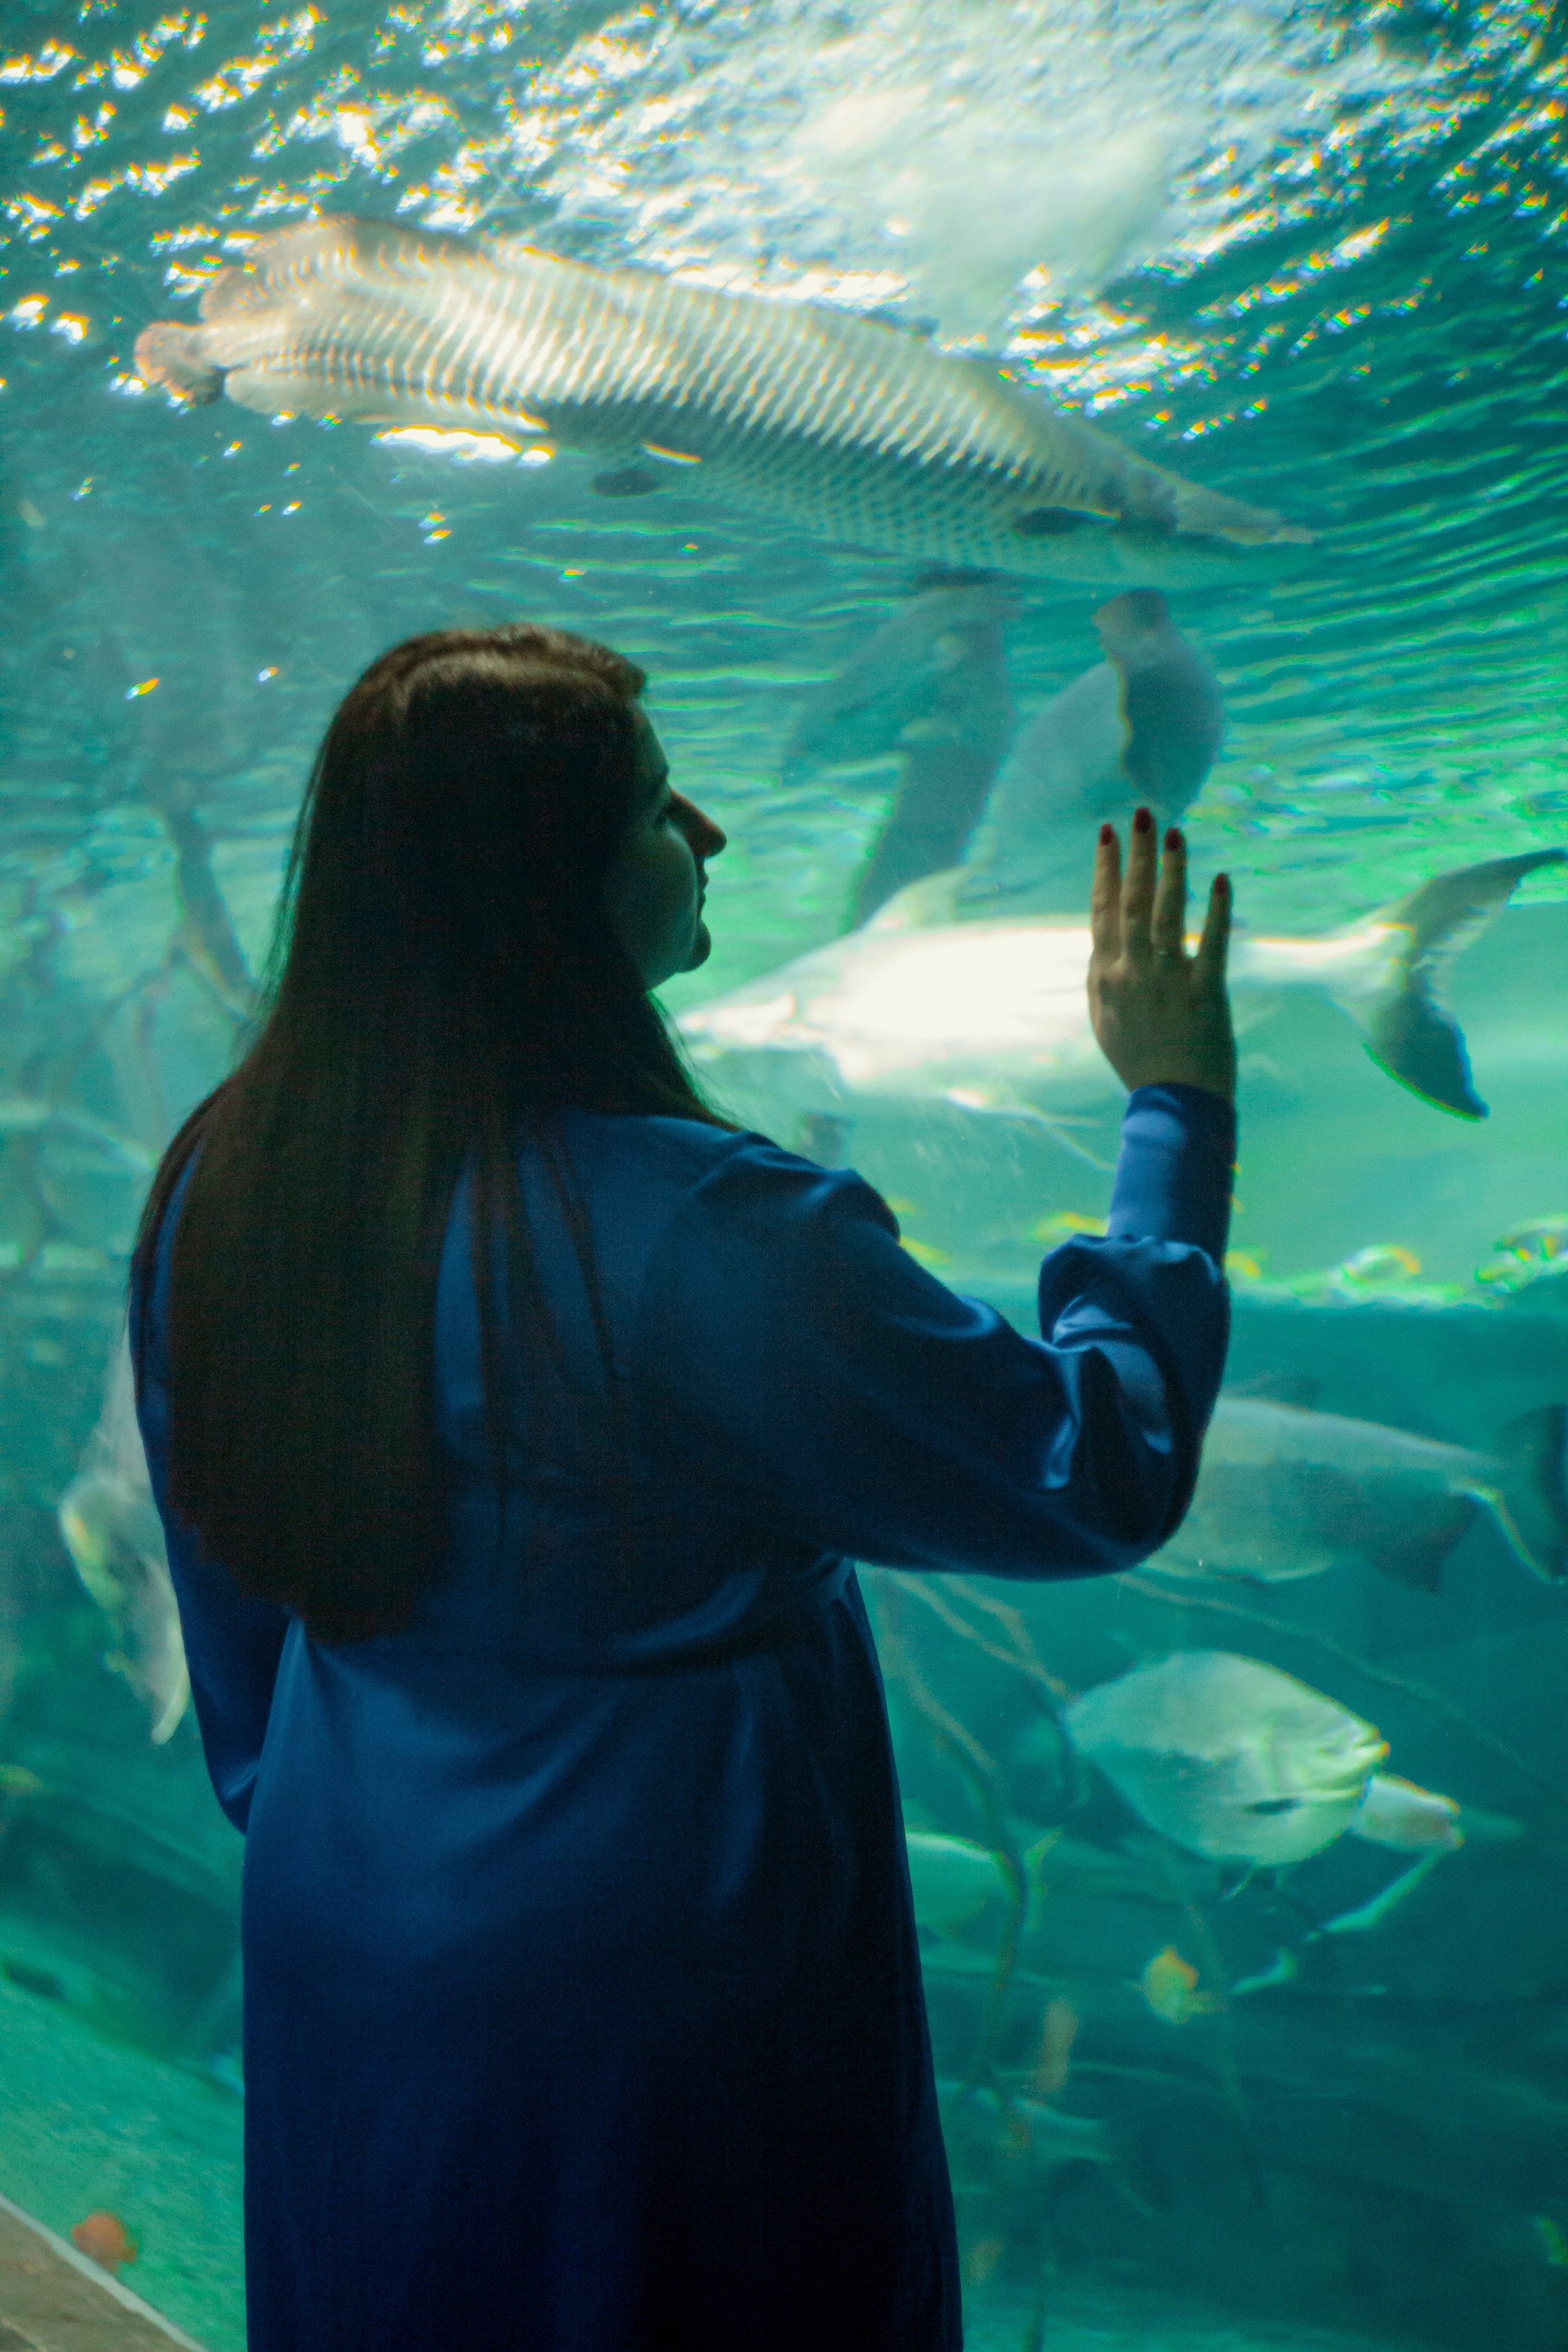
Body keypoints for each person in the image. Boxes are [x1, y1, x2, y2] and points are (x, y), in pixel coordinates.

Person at [129, 621, 1236, 2352]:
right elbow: (1097, 1467)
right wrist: (1174, 1107)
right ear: (540, 884)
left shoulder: (232, 1172)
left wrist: (356, 1814)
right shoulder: (716, 1231)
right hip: (660, 1966)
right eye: (657, 805)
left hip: (352, 1904)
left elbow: (239, 1632)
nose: (706, 833)